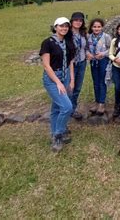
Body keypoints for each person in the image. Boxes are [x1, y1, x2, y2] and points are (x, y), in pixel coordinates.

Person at [39, 17, 75, 152]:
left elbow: (70, 62)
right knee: (67, 107)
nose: (64, 28)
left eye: (66, 26)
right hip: (52, 77)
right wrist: (58, 83)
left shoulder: (68, 42)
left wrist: (71, 79)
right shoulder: (47, 43)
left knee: (56, 108)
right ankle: (59, 134)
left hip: (65, 75)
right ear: (55, 27)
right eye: (61, 26)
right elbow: (46, 66)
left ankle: (54, 133)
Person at [86, 18, 112, 116]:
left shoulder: (106, 37)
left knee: (102, 82)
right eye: (94, 27)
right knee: (95, 82)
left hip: (103, 61)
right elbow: (86, 48)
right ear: (91, 27)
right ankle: (96, 102)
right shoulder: (88, 37)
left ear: (102, 27)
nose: (96, 29)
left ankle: (101, 103)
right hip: (93, 62)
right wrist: (88, 54)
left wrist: (103, 54)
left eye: (99, 27)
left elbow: (111, 49)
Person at [69, 12, 87, 120]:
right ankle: (68, 109)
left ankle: (73, 108)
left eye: (80, 20)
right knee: (70, 87)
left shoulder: (83, 33)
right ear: (71, 21)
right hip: (71, 64)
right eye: (76, 20)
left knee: (77, 88)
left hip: (82, 62)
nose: (78, 22)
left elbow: (84, 47)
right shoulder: (67, 33)